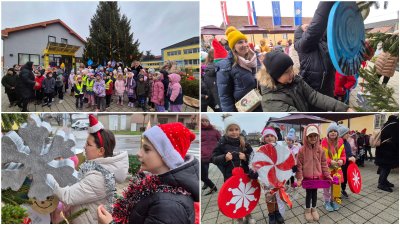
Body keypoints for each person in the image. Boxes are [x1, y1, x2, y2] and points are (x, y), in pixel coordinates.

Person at [97, 122, 199, 224]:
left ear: (167, 156)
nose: (139, 153)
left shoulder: (168, 205)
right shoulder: (154, 185)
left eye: (146, 149)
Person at [46, 115, 128, 224]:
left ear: (100, 151)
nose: (84, 147)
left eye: (88, 144)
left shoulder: (100, 177)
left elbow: (68, 196)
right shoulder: (97, 169)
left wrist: (45, 176)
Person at [256, 50, 354, 112]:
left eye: (291, 69)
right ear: (274, 75)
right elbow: (296, 117)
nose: (291, 74)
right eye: (286, 72)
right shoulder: (271, 101)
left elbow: (314, 96)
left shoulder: (295, 80)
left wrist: (344, 108)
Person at [211, 114, 256, 224]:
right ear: (226, 131)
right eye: (231, 130)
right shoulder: (222, 143)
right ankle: (239, 218)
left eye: (236, 129)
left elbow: (254, 157)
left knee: (247, 196)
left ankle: (249, 215)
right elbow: (213, 158)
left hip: (245, 176)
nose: (234, 132)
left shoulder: (244, 143)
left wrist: (245, 157)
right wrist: (224, 158)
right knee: (236, 198)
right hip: (230, 177)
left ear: (239, 130)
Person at [294, 2, 336, 98]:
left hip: (328, 89)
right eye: (305, 27)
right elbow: (317, 26)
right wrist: (326, 3)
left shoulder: (323, 42)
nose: (308, 27)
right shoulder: (302, 45)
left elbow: (329, 26)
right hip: (313, 92)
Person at [216, 26, 260, 112]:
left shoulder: (254, 59)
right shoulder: (226, 65)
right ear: (233, 47)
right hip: (245, 108)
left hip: (259, 103)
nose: (245, 45)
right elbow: (225, 96)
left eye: (245, 41)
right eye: (240, 42)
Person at [296, 125, 331, 222]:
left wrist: (327, 175)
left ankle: (314, 209)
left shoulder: (320, 150)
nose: (313, 138)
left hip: (317, 177)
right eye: (310, 136)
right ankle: (307, 210)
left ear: (318, 136)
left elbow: (324, 164)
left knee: (315, 193)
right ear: (306, 137)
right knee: (308, 194)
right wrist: (299, 178)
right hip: (307, 178)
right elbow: (299, 165)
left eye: (315, 135)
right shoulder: (302, 150)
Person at [321, 123, 346, 212]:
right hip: (327, 169)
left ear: (337, 133)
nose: (333, 133)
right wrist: (329, 161)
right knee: (326, 186)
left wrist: (342, 160)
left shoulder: (340, 142)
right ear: (328, 133)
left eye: (335, 131)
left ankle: (334, 200)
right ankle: (327, 201)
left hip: (337, 169)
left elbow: (343, 155)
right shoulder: (324, 142)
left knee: (335, 186)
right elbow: (322, 156)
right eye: (331, 131)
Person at [375, 115, 399, 192]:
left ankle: (383, 181)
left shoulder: (386, 125)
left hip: (382, 150)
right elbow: (396, 138)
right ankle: (381, 184)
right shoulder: (395, 125)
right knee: (386, 167)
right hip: (389, 151)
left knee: (384, 167)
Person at [200, 115, 220, 195]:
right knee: (203, 175)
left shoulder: (215, 131)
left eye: (206, 121)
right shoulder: (200, 131)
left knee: (224, 169)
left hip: (214, 155)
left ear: (209, 121)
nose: (204, 122)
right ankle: (211, 186)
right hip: (203, 155)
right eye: (202, 121)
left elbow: (221, 140)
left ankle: (229, 183)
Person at [337, 125, 356, 199]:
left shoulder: (347, 143)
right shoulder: (338, 143)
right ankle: (337, 192)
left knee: (345, 178)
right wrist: (348, 158)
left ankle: (343, 189)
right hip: (340, 165)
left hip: (347, 165)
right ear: (342, 134)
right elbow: (339, 156)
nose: (349, 134)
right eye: (347, 133)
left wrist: (353, 157)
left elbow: (349, 153)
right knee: (339, 179)